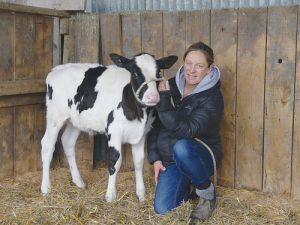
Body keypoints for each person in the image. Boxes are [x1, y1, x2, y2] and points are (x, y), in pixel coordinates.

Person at [147, 41, 224, 223]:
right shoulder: (170, 86)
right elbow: (154, 124)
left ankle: (207, 194)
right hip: (171, 159)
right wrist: (155, 158)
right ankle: (189, 184)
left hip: (199, 154)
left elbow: (186, 131)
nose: (192, 70)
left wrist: (164, 103)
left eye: (199, 66)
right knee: (162, 209)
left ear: (209, 69)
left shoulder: (212, 97)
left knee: (182, 147)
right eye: (188, 63)